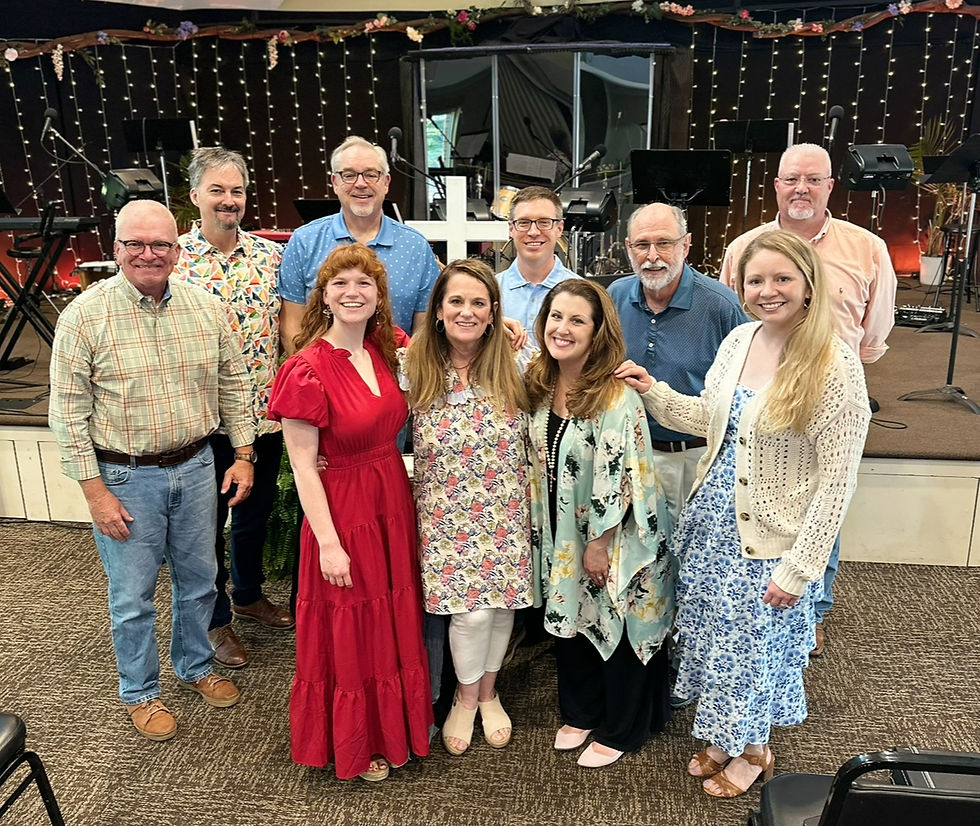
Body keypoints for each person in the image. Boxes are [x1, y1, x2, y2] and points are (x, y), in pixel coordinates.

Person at [619, 230, 871, 797]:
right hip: (712, 524)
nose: (768, 291)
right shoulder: (739, 340)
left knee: (754, 646)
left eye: (782, 278)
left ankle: (753, 750)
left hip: (771, 540)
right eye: (756, 280)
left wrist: (801, 567)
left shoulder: (835, 365)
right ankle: (721, 738)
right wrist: (652, 390)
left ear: (809, 284)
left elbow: (837, 481)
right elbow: (709, 419)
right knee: (715, 638)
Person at [49, 199, 254, 742]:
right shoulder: (84, 317)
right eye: (135, 244)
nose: (148, 254)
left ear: (176, 249)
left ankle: (194, 666)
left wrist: (244, 454)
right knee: (133, 597)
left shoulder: (206, 308)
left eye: (160, 244)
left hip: (196, 467)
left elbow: (234, 386)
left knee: (200, 582)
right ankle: (141, 691)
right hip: (124, 477)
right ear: (115, 249)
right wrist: (94, 494)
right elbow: (67, 416)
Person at [719, 142, 896, 655]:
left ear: (830, 187)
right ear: (775, 185)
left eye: (813, 180)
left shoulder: (868, 248)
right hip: (757, 396)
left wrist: (833, 385)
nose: (801, 189)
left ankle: (812, 605)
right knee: (764, 500)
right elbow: (741, 321)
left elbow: (873, 333)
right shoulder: (744, 246)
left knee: (823, 495)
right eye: (791, 179)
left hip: (823, 394)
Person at [267, 243, 432, 782]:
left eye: (365, 283)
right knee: (351, 623)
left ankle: (394, 730)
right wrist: (330, 543)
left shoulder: (386, 350)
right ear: (324, 296)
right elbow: (302, 467)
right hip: (341, 511)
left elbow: (453, 342)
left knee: (388, 615)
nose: (353, 292)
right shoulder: (306, 370)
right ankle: (355, 742)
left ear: (380, 296)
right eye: (340, 283)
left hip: (389, 500)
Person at [525, 279, 675, 769]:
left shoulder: (615, 395)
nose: (562, 329)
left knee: (617, 620)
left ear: (597, 332)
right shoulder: (540, 384)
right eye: (555, 317)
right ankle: (583, 710)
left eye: (577, 320)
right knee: (572, 619)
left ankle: (623, 726)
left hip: (614, 537)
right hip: (561, 530)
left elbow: (621, 477)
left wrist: (600, 543)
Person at [401, 258, 533, 757]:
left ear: (495, 311)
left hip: (507, 511)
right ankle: (463, 695)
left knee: (501, 612)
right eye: (456, 300)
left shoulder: (518, 364)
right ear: (437, 309)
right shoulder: (412, 367)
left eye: (479, 302)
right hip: (445, 515)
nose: (467, 311)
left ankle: (489, 692)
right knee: (468, 616)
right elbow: (374, 425)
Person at [175, 147, 293, 671]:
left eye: (237, 190)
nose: (229, 200)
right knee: (206, 526)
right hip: (202, 423)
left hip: (264, 417)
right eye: (217, 190)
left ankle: (247, 594)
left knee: (253, 515)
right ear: (196, 195)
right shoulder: (174, 260)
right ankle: (215, 617)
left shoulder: (271, 259)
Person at [608, 203, 746, 525]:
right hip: (629, 453)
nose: (652, 255)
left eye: (665, 243)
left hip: (695, 456)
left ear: (686, 244)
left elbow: (743, 392)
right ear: (629, 248)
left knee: (689, 559)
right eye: (642, 245)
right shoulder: (614, 296)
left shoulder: (721, 306)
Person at [278, 135, 441, 350]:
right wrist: (315, 376)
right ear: (335, 183)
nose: (361, 184)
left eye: (371, 175)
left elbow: (424, 332)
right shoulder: (304, 242)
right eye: (349, 175)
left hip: (397, 378)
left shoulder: (416, 248)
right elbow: (291, 327)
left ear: (386, 183)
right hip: (323, 378)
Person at [497, 185, 579, 357]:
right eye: (524, 223)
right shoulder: (490, 292)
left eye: (544, 222)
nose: (533, 232)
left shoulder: (582, 293)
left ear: (559, 228)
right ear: (511, 229)